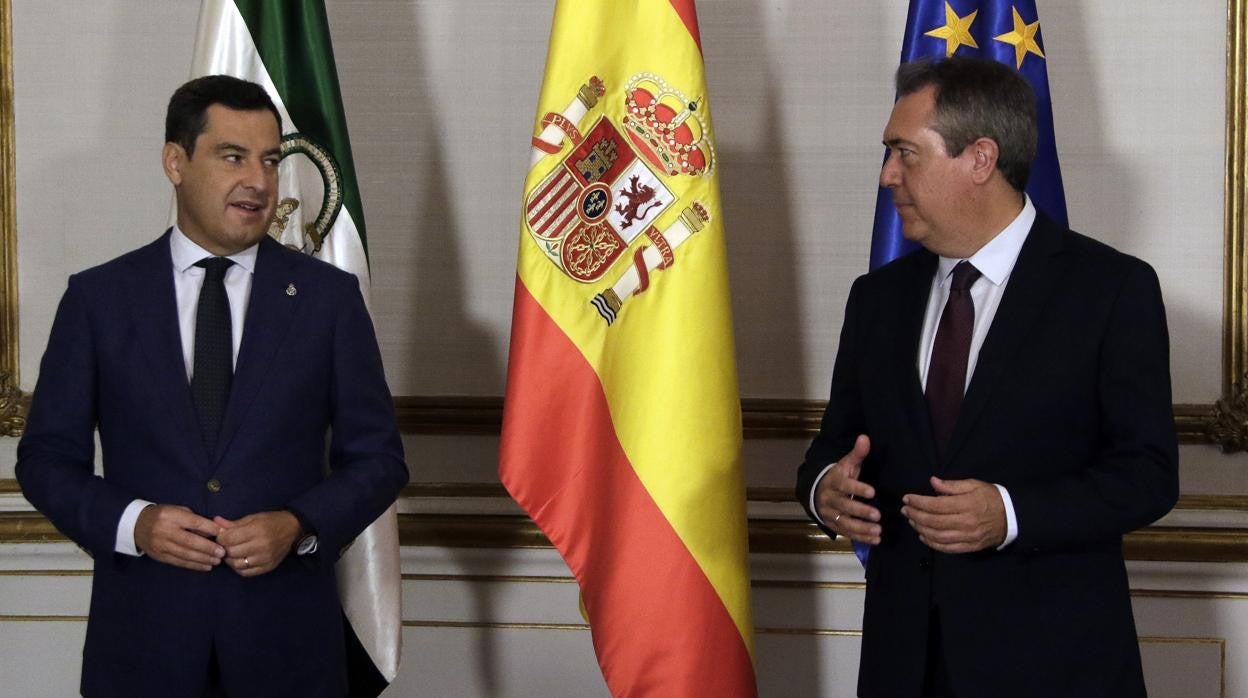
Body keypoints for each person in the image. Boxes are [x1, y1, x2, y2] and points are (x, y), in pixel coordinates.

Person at [795, 57, 1178, 697]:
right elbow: (830, 450)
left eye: (905, 153)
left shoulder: (1111, 290)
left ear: (980, 158)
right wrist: (825, 491)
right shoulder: (877, 299)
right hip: (902, 668)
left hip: (1054, 669)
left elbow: (1148, 475)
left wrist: (1010, 514)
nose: (887, 175)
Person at [16, 75, 409, 697]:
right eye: (233, 157)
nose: (258, 181)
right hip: (144, 649)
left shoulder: (328, 300)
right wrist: (136, 523)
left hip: (288, 651)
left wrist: (298, 523)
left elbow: (380, 460)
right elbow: (44, 461)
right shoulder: (99, 300)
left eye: (270, 160)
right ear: (176, 162)